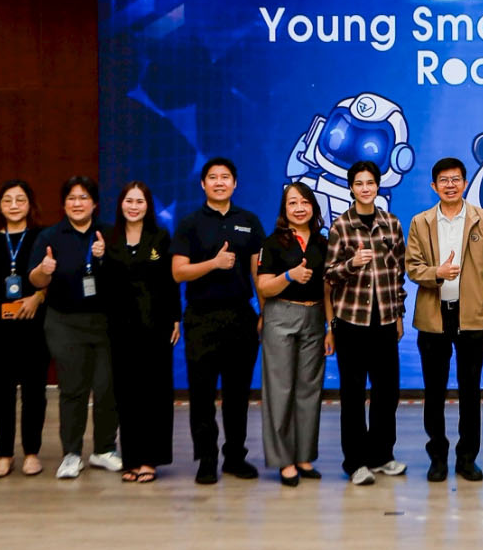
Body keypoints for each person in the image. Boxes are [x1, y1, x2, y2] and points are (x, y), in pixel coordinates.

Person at [404, 157, 483, 483]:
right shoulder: (420, 222)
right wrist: (438, 273)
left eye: (456, 179)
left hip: (472, 316)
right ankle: (438, 457)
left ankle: (467, 458)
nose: (450, 185)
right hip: (433, 316)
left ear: (465, 182)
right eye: (443, 180)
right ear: (434, 186)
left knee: (470, 392)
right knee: (434, 392)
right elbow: (412, 267)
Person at [171, 158, 264, 484]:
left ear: (235, 184)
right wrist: (213, 263)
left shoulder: (249, 221)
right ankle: (207, 459)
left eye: (226, 177)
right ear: (203, 184)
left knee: (238, 395)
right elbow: (178, 272)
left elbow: (258, 272)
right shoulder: (190, 223)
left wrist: (264, 312)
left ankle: (235, 457)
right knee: (202, 395)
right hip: (201, 318)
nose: (219, 182)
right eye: (213, 177)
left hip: (241, 316)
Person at [324, 161, 408, 486]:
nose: (365, 188)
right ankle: (355, 461)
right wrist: (352, 263)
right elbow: (329, 274)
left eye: (370, 182)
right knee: (353, 393)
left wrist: (398, 315)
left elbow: (398, 274)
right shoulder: (341, 226)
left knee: (388, 392)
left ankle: (381, 455)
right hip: (351, 322)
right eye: (359, 183)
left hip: (385, 319)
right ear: (351, 188)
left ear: (377, 185)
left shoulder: (391, 223)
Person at [30, 176, 118, 479]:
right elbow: (35, 280)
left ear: (94, 203)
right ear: (63, 204)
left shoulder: (110, 233)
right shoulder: (50, 236)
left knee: (107, 388)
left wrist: (106, 257)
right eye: (71, 198)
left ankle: (105, 449)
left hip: (106, 322)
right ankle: (71, 453)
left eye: (83, 198)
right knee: (72, 389)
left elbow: (124, 277)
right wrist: (44, 271)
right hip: (64, 322)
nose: (77, 203)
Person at [103, 181, 179, 484]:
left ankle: (151, 459)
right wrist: (97, 257)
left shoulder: (161, 237)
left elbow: (170, 281)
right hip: (121, 328)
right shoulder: (108, 238)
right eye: (129, 201)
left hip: (156, 326)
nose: (134, 206)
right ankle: (132, 459)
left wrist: (176, 318)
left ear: (148, 206)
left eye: (140, 201)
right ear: (120, 204)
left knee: (155, 393)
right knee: (127, 394)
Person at [258, 182, 333, 487]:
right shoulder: (273, 242)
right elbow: (264, 287)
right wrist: (289, 275)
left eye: (304, 202)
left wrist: (330, 327)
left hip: (315, 318)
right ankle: (284, 460)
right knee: (280, 390)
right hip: (281, 315)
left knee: (309, 390)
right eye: (292, 203)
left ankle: (303, 456)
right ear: (284, 209)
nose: (299, 208)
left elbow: (327, 288)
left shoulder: (323, 243)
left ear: (313, 206)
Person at [0, 179, 50, 478]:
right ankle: (4, 455)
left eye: (20, 199)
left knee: (34, 392)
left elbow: (54, 275)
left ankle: (32, 453)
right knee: (1, 393)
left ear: (30, 204)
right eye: (7, 200)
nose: (14, 205)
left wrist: (38, 297)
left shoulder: (43, 236)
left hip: (34, 325)